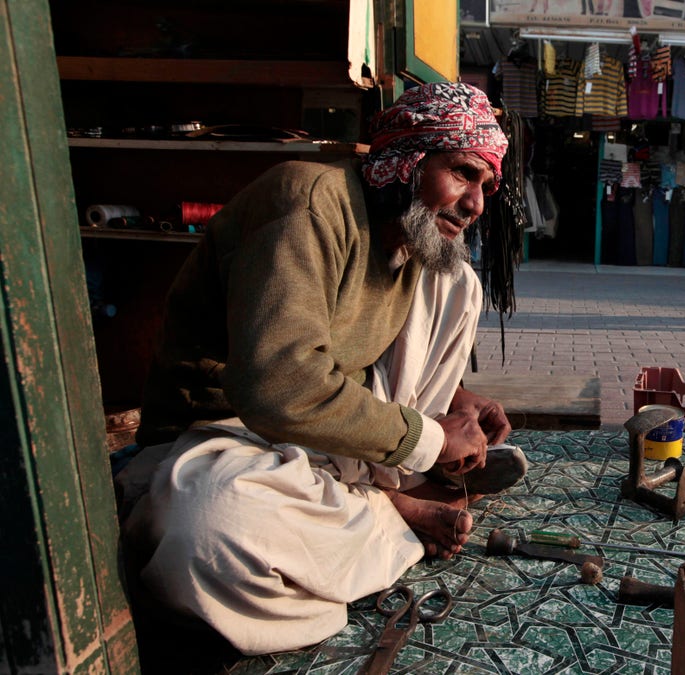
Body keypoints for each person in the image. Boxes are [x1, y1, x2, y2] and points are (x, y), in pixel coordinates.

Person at [119, 82, 525, 654]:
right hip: (221, 440)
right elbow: (277, 388)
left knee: (459, 282)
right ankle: (389, 509)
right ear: (406, 161)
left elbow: (371, 355)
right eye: (462, 172)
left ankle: (373, 504)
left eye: (487, 185)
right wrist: (429, 441)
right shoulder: (306, 203)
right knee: (208, 533)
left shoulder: (410, 242)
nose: (476, 203)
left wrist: (458, 397)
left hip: (322, 448)